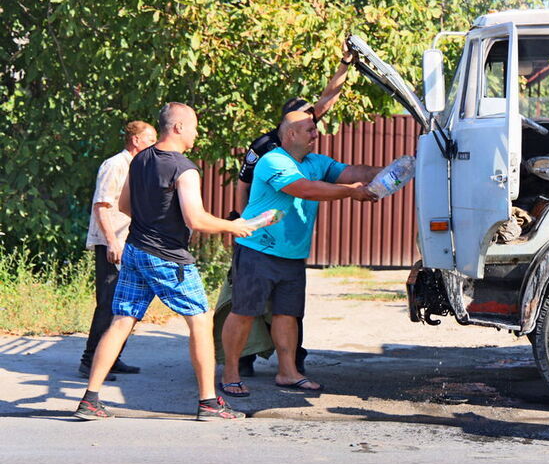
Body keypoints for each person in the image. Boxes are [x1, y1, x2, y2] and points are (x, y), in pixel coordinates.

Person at [74, 103, 254, 421]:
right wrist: (233, 226)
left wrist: (151, 222)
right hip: (169, 258)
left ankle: (90, 399)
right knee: (200, 321)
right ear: (178, 127)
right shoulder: (183, 168)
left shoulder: (139, 159)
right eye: (195, 126)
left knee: (121, 321)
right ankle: (209, 403)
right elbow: (195, 219)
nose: (197, 133)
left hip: (135, 250)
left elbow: (125, 205)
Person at [218, 110, 379, 397]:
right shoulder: (273, 160)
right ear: (291, 134)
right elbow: (304, 189)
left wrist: (391, 171)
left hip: (291, 254)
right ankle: (230, 373)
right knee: (244, 312)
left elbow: (355, 172)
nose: (316, 134)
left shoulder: (316, 162)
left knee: (287, 314)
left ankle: (288, 372)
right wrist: (350, 192)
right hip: (258, 249)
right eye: (309, 130)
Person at [233, 45, 356, 376]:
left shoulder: (301, 143)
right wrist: (244, 222)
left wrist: (345, 64)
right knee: (244, 305)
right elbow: (244, 184)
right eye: (309, 121)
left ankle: (291, 362)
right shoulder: (265, 148)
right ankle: (241, 360)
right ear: (290, 125)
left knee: (288, 308)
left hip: (288, 242)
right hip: (255, 234)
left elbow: (328, 98)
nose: (316, 127)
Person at [79, 120, 157, 380]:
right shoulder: (115, 165)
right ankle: (90, 361)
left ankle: (111, 357)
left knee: (126, 303)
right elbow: (101, 206)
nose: (154, 145)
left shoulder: (139, 166)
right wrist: (112, 241)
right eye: (150, 140)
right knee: (108, 303)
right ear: (135, 141)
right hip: (111, 243)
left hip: (130, 242)